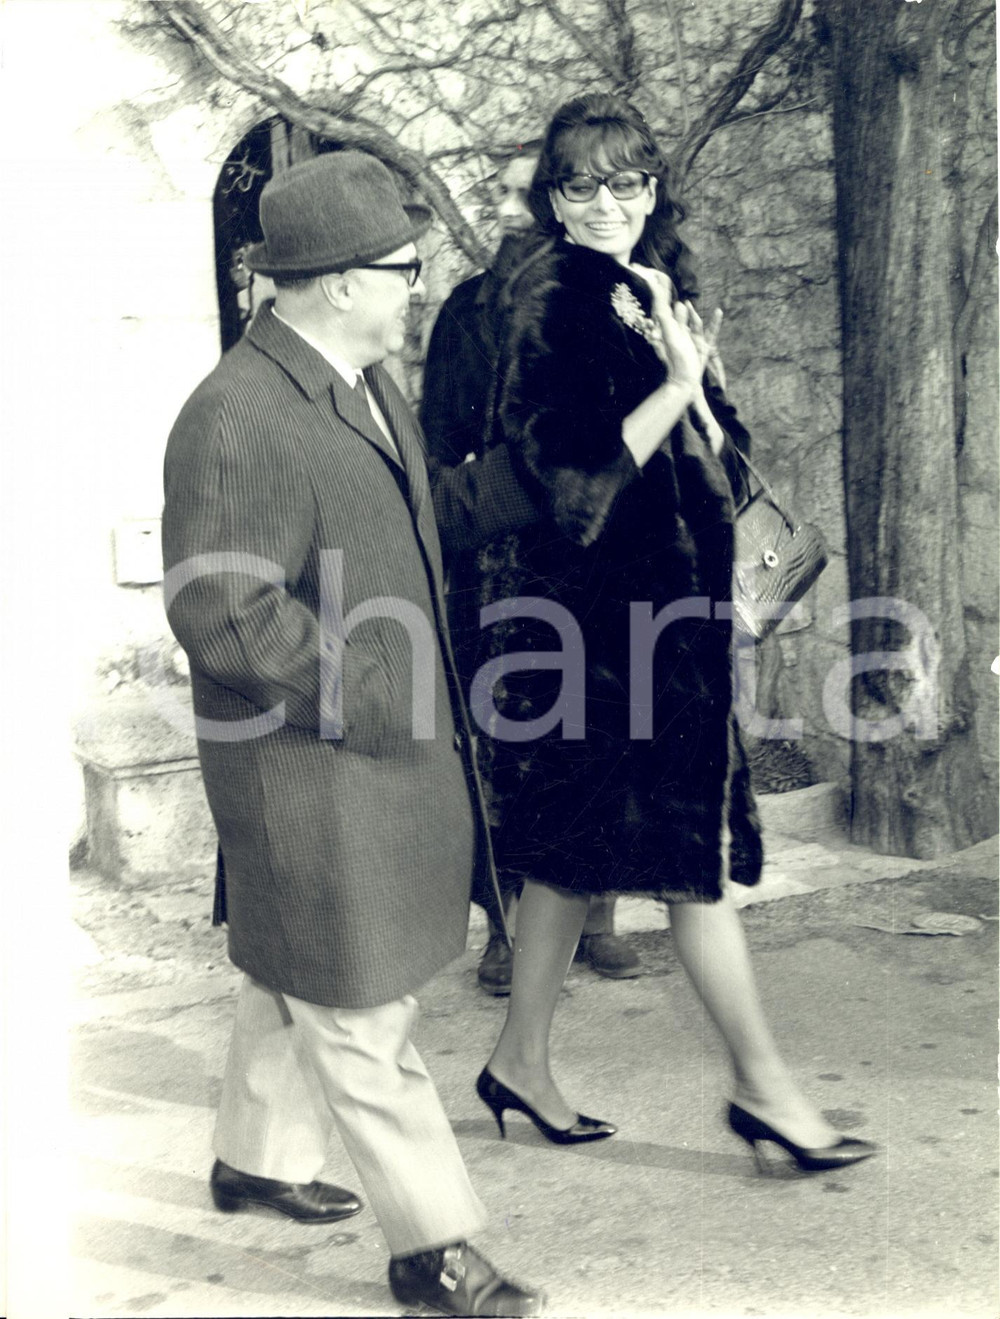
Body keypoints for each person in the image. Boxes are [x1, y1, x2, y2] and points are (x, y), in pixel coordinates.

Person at [161, 151, 546, 1317]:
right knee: (358, 1001)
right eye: (403, 270)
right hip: (308, 762)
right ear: (337, 280)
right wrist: (372, 690)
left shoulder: (364, 381)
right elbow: (224, 610)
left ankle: (255, 1157)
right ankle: (433, 1248)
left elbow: (417, 518)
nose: (417, 289)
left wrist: (541, 473)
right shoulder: (237, 414)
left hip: (358, 751)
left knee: (298, 967)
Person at [473, 93, 878, 1175]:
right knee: (688, 862)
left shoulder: (648, 286)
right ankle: (765, 1091)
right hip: (606, 631)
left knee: (572, 854)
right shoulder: (553, 298)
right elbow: (569, 482)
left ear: (652, 188)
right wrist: (677, 385)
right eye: (581, 184)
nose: (606, 203)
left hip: (668, 621)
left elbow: (714, 453)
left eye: (627, 181)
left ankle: (518, 1062)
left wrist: (705, 388)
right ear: (554, 198)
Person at [421, 143, 641, 993]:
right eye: (504, 194)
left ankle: (600, 912)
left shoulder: (617, 299)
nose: (514, 212)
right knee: (508, 750)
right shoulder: (467, 311)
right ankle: (506, 926)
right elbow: (441, 447)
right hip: (504, 566)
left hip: (605, 552)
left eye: (530, 194)